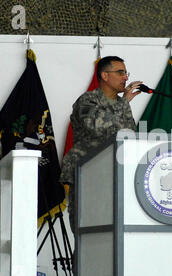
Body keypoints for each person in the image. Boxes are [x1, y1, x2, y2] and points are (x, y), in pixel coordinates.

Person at [60, 56, 142, 232]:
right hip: (87, 172)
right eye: (120, 73)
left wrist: (124, 104)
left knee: (112, 231)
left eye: (126, 73)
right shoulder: (88, 100)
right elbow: (96, 127)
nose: (125, 78)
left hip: (115, 174)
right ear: (105, 76)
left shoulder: (122, 104)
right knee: (86, 229)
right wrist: (125, 103)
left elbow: (129, 137)